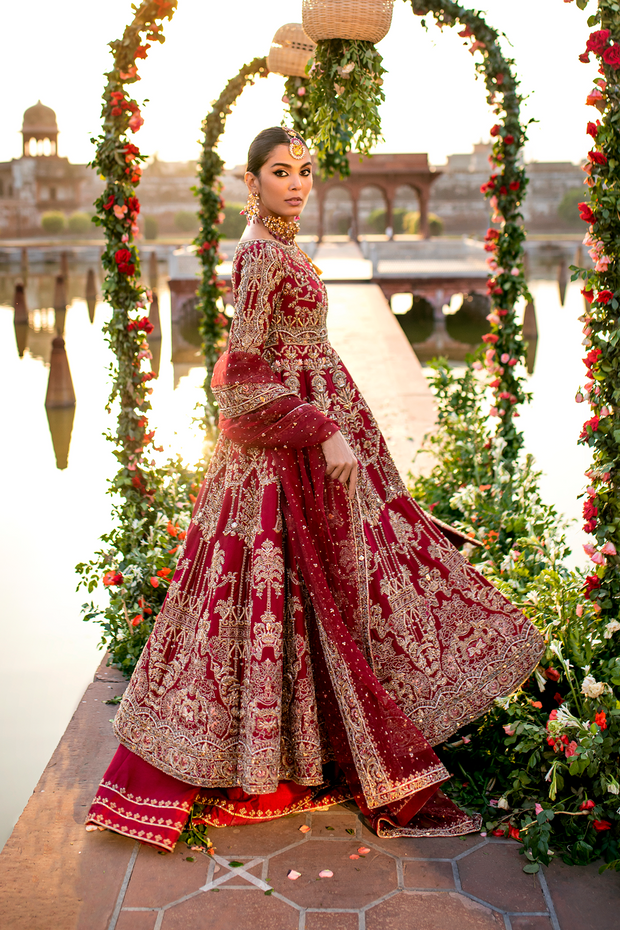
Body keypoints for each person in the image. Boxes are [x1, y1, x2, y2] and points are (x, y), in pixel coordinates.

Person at [87, 127, 543, 851]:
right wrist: (320, 428)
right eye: (279, 172)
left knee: (339, 582)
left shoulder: (282, 246)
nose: (296, 184)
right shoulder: (260, 255)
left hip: (315, 438)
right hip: (283, 454)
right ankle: (278, 756)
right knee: (285, 596)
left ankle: (314, 745)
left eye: (304, 171)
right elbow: (237, 384)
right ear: (250, 179)